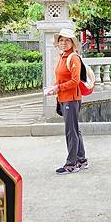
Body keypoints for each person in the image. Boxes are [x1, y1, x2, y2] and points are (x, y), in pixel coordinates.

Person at [48, 28, 88, 175]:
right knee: (75, 130)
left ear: (72, 43)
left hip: (71, 99)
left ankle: (71, 164)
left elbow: (75, 81)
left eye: (67, 40)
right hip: (64, 98)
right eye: (61, 40)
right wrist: (54, 88)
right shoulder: (63, 57)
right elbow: (61, 78)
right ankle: (81, 160)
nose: (63, 43)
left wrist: (58, 88)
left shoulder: (73, 58)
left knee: (71, 132)